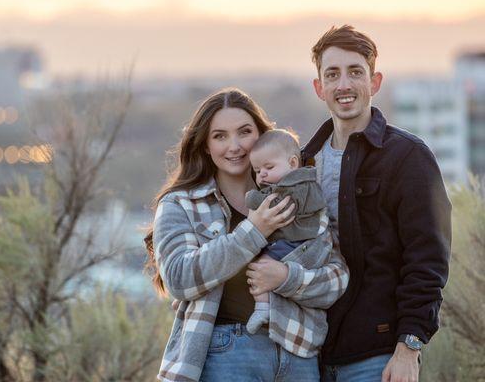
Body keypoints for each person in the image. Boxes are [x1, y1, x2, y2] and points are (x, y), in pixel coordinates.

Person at [144, 87, 349, 382]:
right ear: (205, 145)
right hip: (227, 353)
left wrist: (286, 277)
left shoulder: (299, 198)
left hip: (298, 353)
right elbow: (179, 278)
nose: (235, 146)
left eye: (244, 131)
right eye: (220, 136)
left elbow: (337, 276)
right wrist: (254, 232)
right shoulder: (181, 204)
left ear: (262, 135)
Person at [301, 25, 452, 382]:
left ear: (375, 81)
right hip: (310, 358)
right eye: (332, 74)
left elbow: (427, 260)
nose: (344, 85)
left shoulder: (408, 157)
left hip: (378, 358)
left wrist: (408, 348)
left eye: (356, 72)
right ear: (319, 87)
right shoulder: (304, 163)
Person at [244, 128, 348, 334]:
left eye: (268, 167)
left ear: (292, 163)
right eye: (256, 171)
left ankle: (262, 307)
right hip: (297, 240)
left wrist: (251, 198)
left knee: (259, 265)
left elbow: (270, 202)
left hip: (296, 243)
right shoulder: (306, 182)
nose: (262, 174)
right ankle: (265, 307)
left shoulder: (293, 186)